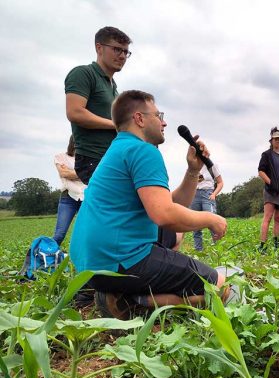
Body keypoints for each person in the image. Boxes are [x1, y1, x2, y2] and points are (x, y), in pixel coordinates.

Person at [70, 90, 229, 319]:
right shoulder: (143, 151)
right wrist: (211, 219)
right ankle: (133, 301)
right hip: (118, 261)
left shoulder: (119, 148)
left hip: (90, 264)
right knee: (220, 287)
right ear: (139, 119)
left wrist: (193, 170)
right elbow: (165, 214)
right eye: (158, 115)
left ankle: (133, 287)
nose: (163, 122)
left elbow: (171, 205)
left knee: (175, 235)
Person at [65, 26, 132, 185]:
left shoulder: (113, 86)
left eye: (126, 52)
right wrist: (117, 125)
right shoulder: (83, 73)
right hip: (93, 158)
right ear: (99, 48)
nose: (122, 56)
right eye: (117, 49)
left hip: (111, 156)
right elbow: (75, 113)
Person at [258, 127, 279, 250]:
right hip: (271, 190)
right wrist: (271, 183)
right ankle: (263, 245)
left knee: (278, 218)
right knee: (268, 217)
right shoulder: (266, 154)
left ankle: (277, 244)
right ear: (271, 140)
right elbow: (261, 171)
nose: (277, 141)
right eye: (275, 139)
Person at [52, 136, 86, 246]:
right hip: (68, 198)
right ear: (73, 142)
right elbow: (63, 173)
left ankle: (81, 259)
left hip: (87, 197)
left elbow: (93, 175)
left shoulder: (89, 159)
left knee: (85, 233)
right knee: (59, 234)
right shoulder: (60, 157)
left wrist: (71, 173)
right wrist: (83, 174)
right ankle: (46, 258)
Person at [190, 163, 224, 251]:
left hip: (207, 194)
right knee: (195, 224)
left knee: (213, 222)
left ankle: (218, 249)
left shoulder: (211, 166)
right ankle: (198, 250)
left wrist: (214, 194)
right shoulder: (193, 166)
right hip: (194, 194)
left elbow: (220, 182)